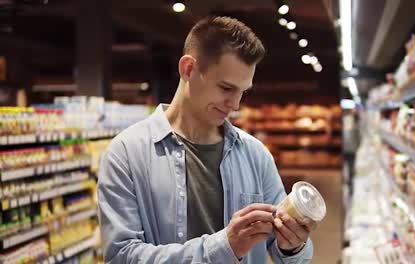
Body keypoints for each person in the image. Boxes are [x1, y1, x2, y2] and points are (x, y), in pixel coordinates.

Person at [97, 16, 314, 264]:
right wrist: (224, 246)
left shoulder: (255, 155)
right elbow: (120, 257)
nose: (235, 104)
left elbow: (289, 256)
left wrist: (293, 246)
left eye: (243, 91)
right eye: (226, 88)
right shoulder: (126, 153)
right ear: (189, 69)